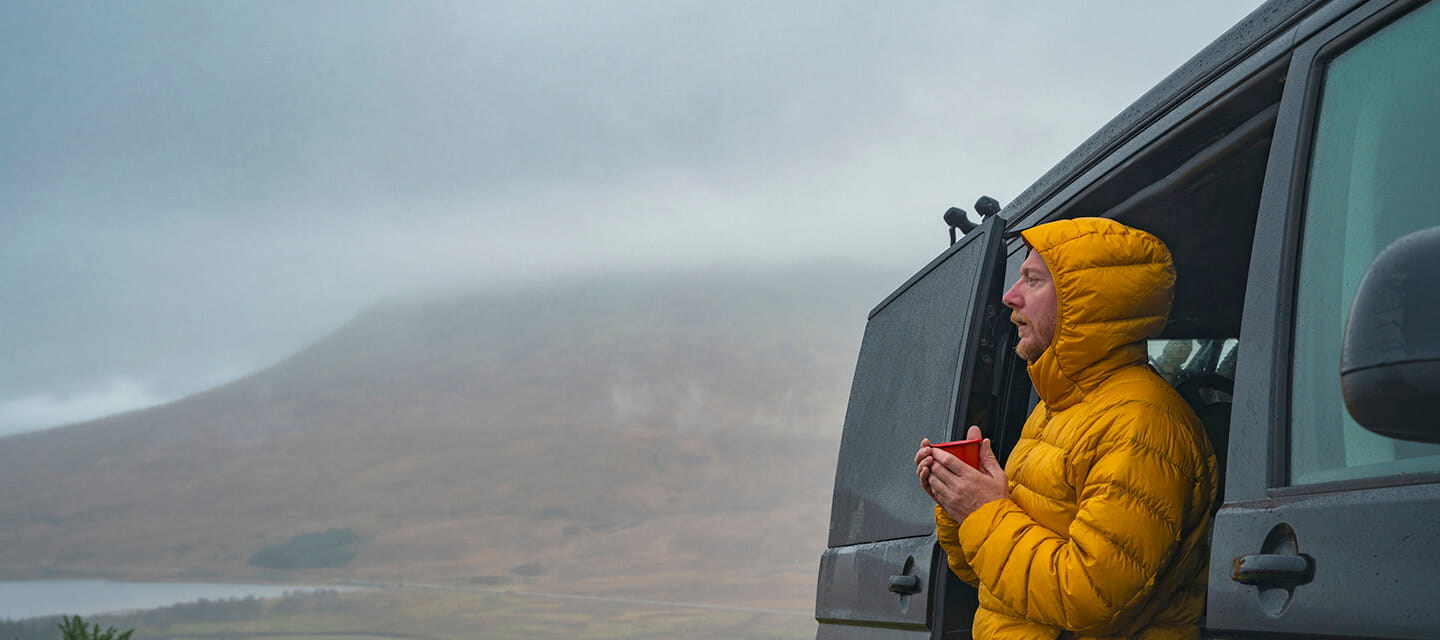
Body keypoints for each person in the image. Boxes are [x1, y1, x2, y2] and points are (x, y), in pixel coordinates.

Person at [915, 217, 1218, 640]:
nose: (1009, 296)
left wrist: (985, 511)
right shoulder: (1054, 410)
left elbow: (1091, 601)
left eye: (1032, 280)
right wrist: (959, 502)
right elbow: (996, 581)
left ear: (1087, 304)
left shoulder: (1141, 424)